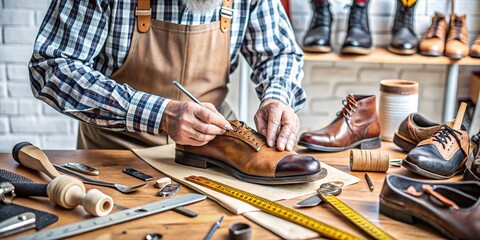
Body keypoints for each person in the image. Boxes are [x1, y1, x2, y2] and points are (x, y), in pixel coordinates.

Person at [28, 0, 306, 152]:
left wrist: (276, 98)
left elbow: (279, 54)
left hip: (211, 148)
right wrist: (159, 114)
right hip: (116, 150)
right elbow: (52, 67)